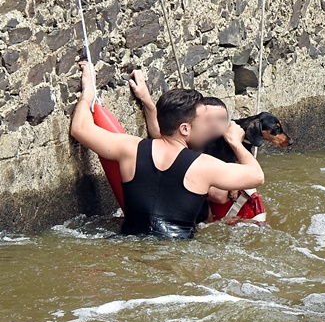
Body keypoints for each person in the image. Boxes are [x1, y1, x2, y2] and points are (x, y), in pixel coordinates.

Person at [70, 62, 264, 238]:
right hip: (176, 254)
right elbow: (256, 176)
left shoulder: (130, 148)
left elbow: (80, 129)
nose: (209, 127)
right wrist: (236, 143)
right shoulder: (204, 165)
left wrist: (88, 94)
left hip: (129, 244)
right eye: (204, 121)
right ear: (185, 129)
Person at [129, 70, 237, 207]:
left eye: (221, 120)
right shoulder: (187, 143)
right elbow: (159, 135)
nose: (214, 126)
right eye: (207, 120)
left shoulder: (225, 145)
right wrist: (147, 101)